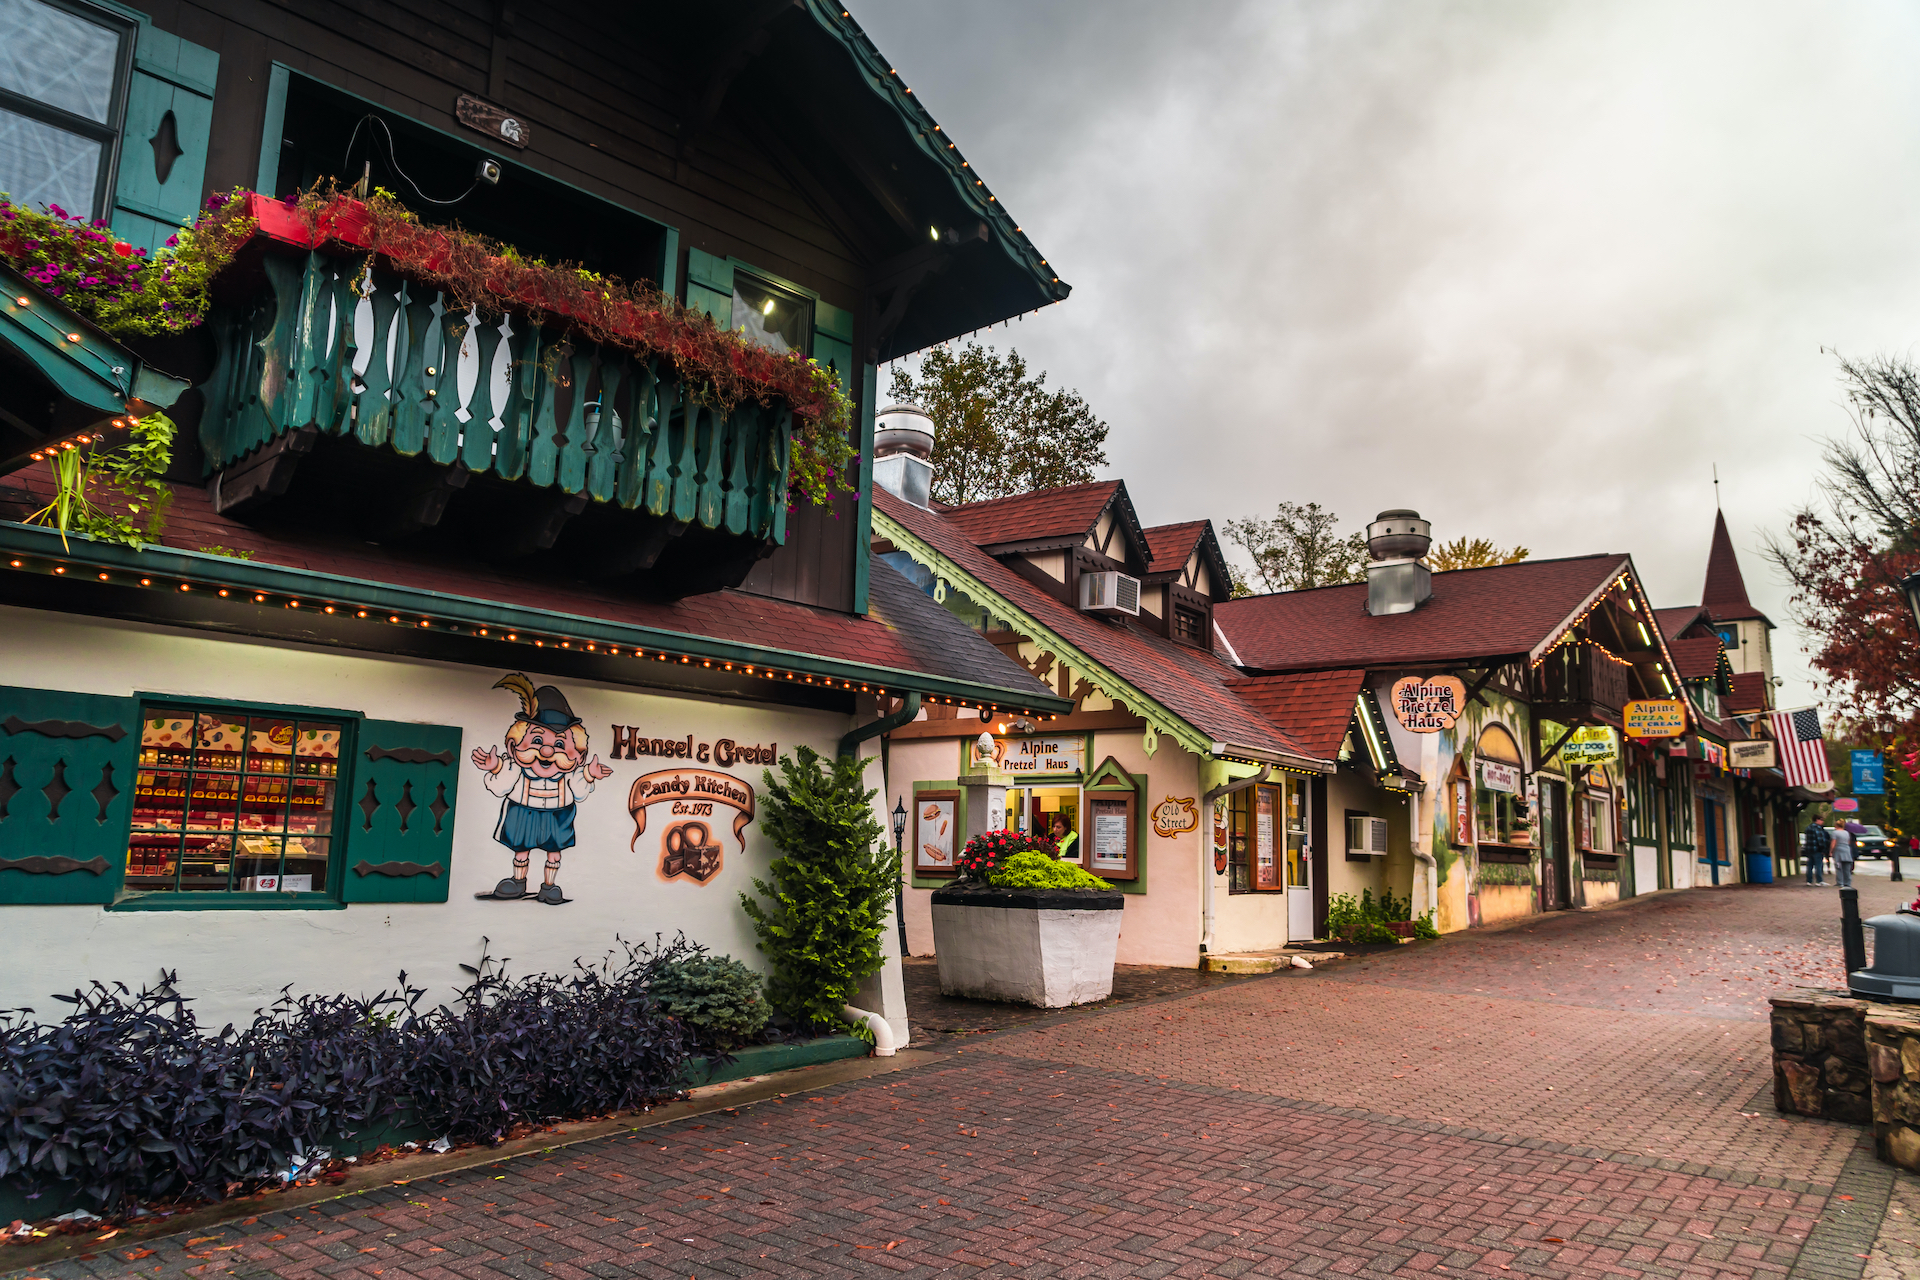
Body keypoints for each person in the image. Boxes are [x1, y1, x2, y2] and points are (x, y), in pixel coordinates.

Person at [1803, 816, 1830, 886]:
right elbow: (1820, 840)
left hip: (1809, 849)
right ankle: (1819, 880)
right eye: (1821, 820)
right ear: (1817, 820)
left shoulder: (1808, 828)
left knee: (1810, 866)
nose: (1822, 822)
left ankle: (1809, 881)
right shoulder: (1817, 828)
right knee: (1818, 865)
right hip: (1817, 849)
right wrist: (1823, 848)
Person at [1832, 822, 1856, 889]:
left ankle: (1840, 882)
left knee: (1839, 867)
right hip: (1847, 850)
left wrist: (1831, 851)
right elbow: (1848, 842)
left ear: (1836, 825)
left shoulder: (1835, 833)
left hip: (1838, 850)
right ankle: (1847, 883)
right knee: (1847, 868)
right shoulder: (1846, 833)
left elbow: (1833, 842)